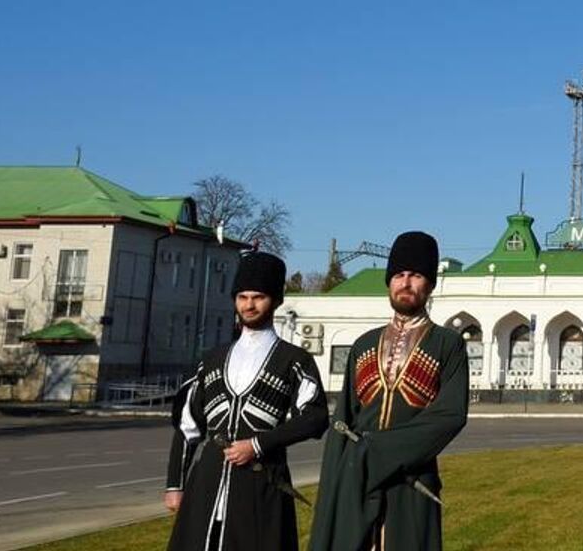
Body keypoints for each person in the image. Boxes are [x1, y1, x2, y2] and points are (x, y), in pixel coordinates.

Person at [310, 231, 469, 551]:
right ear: (388, 281)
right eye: (398, 274)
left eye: (416, 275)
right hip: (356, 476)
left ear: (430, 284)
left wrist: (377, 450)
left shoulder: (446, 344)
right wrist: (336, 484)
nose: (406, 283)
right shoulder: (364, 345)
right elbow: (344, 420)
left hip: (411, 481)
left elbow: (449, 416)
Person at [164, 252, 327, 551]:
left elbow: (315, 418)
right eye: (242, 296)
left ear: (276, 301)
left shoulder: (294, 360)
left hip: (262, 484)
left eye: (259, 297)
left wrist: (258, 444)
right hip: (207, 484)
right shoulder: (211, 360)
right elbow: (188, 426)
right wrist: (175, 485)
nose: (249, 305)